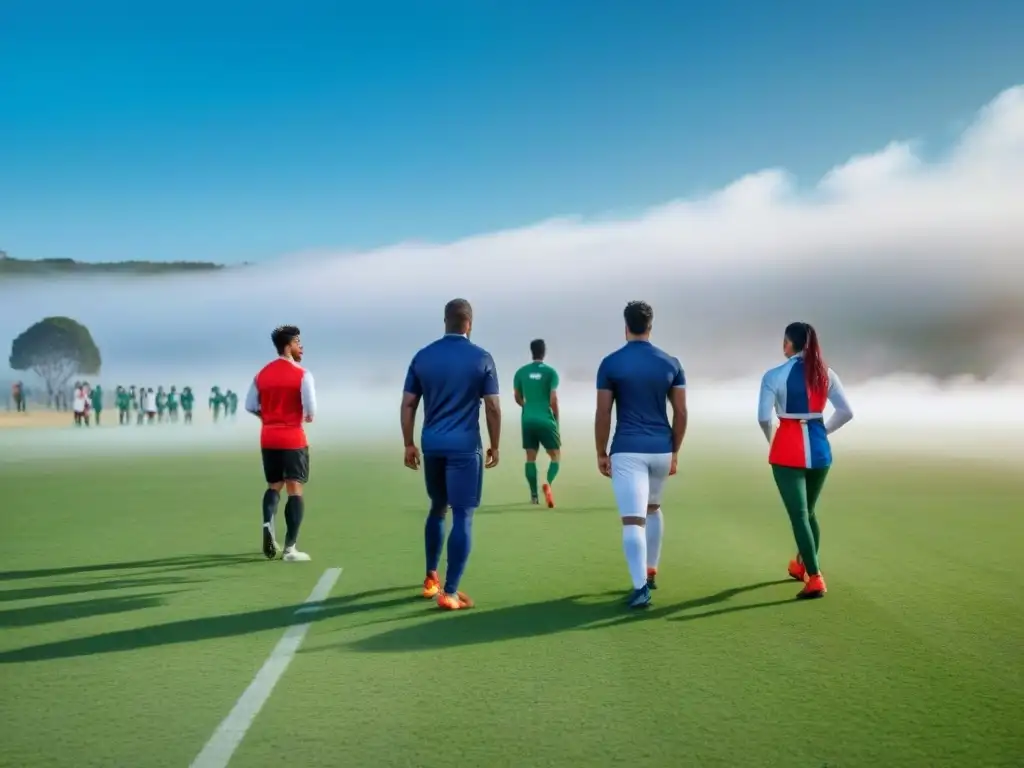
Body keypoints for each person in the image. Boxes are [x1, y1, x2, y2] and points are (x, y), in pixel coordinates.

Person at [401, 298, 501, 611]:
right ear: (469, 324)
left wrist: (408, 443)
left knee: (437, 507)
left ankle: (431, 578)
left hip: (432, 444)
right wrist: (495, 445)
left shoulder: (423, 356)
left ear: (445, 321)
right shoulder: (482, 358)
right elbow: (494, 406)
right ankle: (451, 591)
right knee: (463, 514)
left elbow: (408, 404)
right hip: (464, 446)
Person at [595, 301, 687, 609]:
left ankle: (639, 590)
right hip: (662, 449)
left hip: (628, 451)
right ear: (650, 326)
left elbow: (603, 412)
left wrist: (601, 452)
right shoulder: (671, 363)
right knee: (653, 509)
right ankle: (651, 572)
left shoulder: (611, 364)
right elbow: (682, 412)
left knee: (633, 521)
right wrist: (675, 451)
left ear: (626, 326)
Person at [758, 322, 854, 600]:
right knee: (808, 512)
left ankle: (815, 577)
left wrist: (772, 439)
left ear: (789, 343)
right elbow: (846, 412)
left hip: (787, 449)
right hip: (819, 449)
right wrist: (822, 431)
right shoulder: (826, 373)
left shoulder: (773, 375)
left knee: (799, 515)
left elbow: (764, 417)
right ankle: (802, 564)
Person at [245, 325, 316, 562]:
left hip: (268, 438)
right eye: (298, 342)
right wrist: (304, 415)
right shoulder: (302, 374)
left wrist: (268, 417)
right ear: (289, 345)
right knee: (295, 490)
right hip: (293, 438)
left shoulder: (261, 374)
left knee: (274, 485)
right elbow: (310, 410)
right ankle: (290, 548)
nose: (301, 347)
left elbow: (250, 405)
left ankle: (268, 524)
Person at [512, 339, 561, 507]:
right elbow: (553, 398)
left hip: (527, 419)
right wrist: (556, 418)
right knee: (555, 456)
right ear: (544, 352)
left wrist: (526, 406)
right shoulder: (551, 373)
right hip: (546, 419)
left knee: (530, 457)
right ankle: (548, 483)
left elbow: (517, 396)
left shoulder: (521, 372)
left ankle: (533, 495)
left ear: (531, 351)